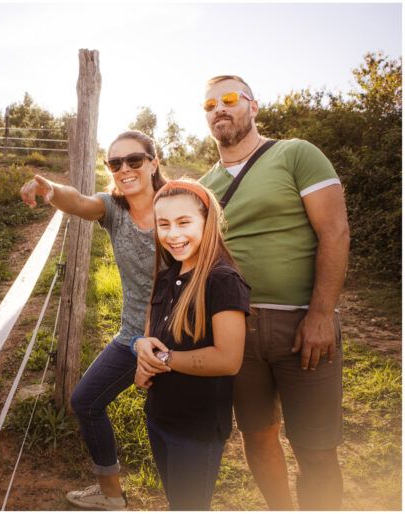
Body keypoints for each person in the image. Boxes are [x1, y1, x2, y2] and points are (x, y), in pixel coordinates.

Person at [198, 75, 350, 510]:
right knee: (257, 434)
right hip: (235, 329)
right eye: (209, 105)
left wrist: (321, 315)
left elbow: (335, 232)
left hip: (301, 324)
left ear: (253, 106)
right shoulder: (205, 184)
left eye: (229, 99)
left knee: (315, 447)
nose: (219, 109)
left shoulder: (296, 154)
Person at [20, 130, 166, 510]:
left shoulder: (177, 205)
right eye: (114, 163)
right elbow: (80, 202)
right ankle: (111, 494)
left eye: (134, 160)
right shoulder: (113, 209)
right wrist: (50, 188)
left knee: (167, 425)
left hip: (177, 338)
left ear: (154, 162)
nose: (124, 169)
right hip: (132, 336)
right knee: (85, 401)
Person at [132, 179, 250, 510]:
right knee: (176, 502)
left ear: (206, 221)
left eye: (184, 222)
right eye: (164, 224)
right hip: (159, 416)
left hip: (196, 430)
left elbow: (228, 359)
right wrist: (142, 352)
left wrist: (163, 359)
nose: (173, 234)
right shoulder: (166, 276)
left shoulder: (222, 280)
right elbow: (150, 333)